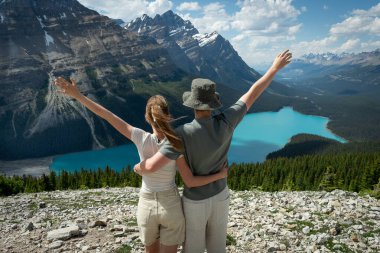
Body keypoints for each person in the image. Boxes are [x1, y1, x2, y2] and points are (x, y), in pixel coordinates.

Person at [133, 50, 292, 252]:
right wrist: (274, 68)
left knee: (194, 249)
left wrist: (139, 167)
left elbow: (154, 165)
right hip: (221, 195)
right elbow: (253, 92)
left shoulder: (181, 134)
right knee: (217, 247)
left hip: (195, 201)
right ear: (212, 103)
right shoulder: (227, 121)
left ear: (192, 104)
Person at [54, 77, 228, 253]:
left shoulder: (140, 137)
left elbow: (107, 115)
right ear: (167, 115)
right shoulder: (176, 141)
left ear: (147, 117)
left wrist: (78, 96)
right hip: (171, 206)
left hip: (147, 205)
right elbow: (189, 180)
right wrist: (220, 175)